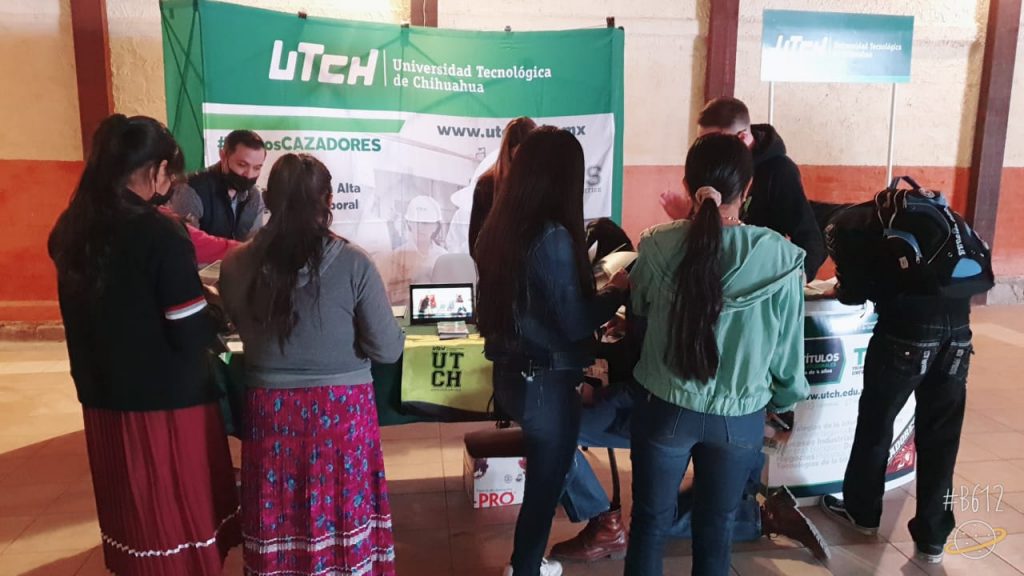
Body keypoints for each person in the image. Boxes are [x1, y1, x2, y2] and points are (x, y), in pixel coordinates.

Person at [48, 114, 241, 575]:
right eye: (170, 174)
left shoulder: (72, 226)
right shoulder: (158, 232)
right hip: (165, 402)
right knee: (173, 509)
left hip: (102, 393)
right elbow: (187, 329)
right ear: (157, 170)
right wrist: (217, 313)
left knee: (132, 506)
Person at [625, 134, 809, 576]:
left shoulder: (656, 244)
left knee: (649, 523)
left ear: (687, 187)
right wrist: (782, 401)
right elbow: (788, 354)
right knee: (717, 528)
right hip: (740, 419)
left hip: (665, 408)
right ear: (748, 189)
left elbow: (639, 313)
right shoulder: (781, 258)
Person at [219, 153, 404, 576]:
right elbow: (387, 350)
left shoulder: (235, 264)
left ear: (267, 198)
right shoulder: (354, 263)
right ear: (328, 201)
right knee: (342, 513)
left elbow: (239, 324)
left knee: (278, 511)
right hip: (341, 416)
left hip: (271, 413)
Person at [475, 127, 629, 576]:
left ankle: (524, 564)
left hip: (512, 375)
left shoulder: (496, 230)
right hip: (546, 380)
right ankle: (525, 568)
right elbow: (575, 321)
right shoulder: (552, 237)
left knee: (545, 482)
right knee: (545, 488)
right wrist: (617, 290)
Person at [820, 200, 974, 564]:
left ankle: (862, 513)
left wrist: (842, 288)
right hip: (958, 332)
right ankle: (933, 538)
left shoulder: (846, 229)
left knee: (877, 421)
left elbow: (853, 293)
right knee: (941, 436)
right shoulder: (920, 212)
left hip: (906, 334)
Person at [660, 97, 825, 280]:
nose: (707, 152)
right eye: (702, 143)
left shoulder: (778, 171)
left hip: (756, 275)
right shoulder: (710, 165)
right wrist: (687, 218)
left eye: (715, 143)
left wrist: (792, 284)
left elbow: (810, 240)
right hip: (714, 274)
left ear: (742, 137)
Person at [169, 129, 267, 240]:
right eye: (242, 165)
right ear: (223, 156)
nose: (249, 175)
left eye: (257, 168)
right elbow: (186, 243)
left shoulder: (254, 195)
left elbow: (254, 244)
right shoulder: (191, 190)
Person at [468, 116, 537, 259]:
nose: (529, 160)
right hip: (499, 267)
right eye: (524, 153)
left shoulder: (540, 184)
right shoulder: (486, 186)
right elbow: (475, 245)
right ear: (511, 151)